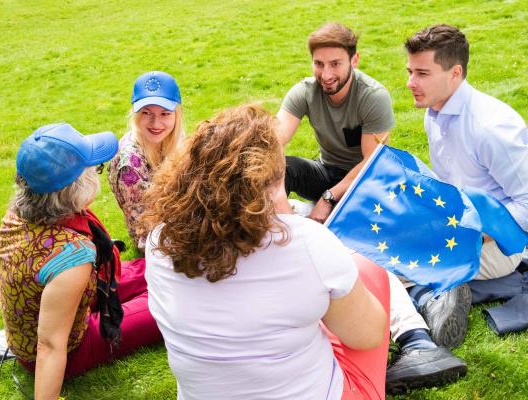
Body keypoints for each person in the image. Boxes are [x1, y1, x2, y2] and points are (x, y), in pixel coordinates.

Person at [143, 104, 390, 399]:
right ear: (272, 186)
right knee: (368, 268)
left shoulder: (160, 240)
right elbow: (369, 336)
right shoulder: (308, 243)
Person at [277, 22, 466, 394]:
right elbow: (273, 142)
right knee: (283, 168)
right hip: (329, 173)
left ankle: (426, 310)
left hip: (371, 179)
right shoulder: (304, 92)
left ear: (354, 60)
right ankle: (281, 237)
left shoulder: (371, 95)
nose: (326, 73)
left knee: (350, 240)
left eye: (335, 63)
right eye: (318, 64)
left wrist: (329, 200)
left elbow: (372, 163)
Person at [404, 24, 528, 341]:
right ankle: (444, 289)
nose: (410, 83)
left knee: (390, 259)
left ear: (455, 73)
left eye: (422, 73)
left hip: (497, 243)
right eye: (410, 71)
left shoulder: (489, 128)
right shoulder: (435, 111)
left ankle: (432, 314)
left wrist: (478, 234)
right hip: (455, 220)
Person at [0, 123, 162, 399]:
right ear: (74, 189)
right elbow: (49, 345)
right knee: (171, 302)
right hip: (70, 345)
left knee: (158, 269)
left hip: (62, 306)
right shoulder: (73, 256)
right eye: (94, 169)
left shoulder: (21, 211)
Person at [108, 70, 184, 252]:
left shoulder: (172, 141)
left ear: (177, 114)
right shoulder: (130, 164)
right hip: (155, 240)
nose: (156, 123)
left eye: (165, 114)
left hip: (178, 219)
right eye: (146, 113)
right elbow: (144, 229)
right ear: (135, 114)